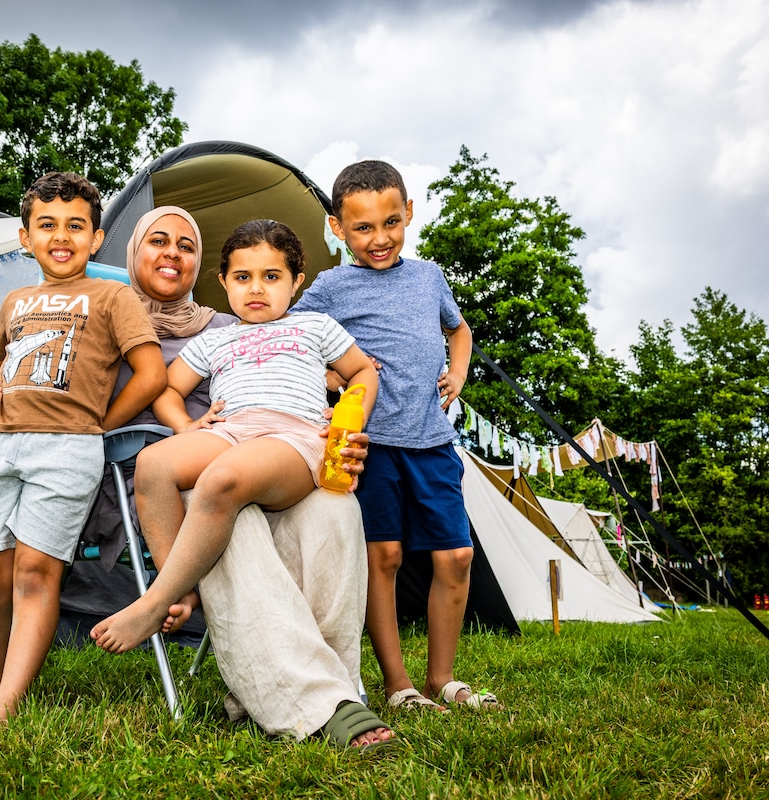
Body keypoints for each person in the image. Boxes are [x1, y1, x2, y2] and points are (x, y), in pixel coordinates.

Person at [76, 206, 394, 749]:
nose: (256, 289)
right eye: (242, 277)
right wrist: (186, 426)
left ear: (297, 282)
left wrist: (348, 423)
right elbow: (168, 390)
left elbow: (364, 371)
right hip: (232, 431)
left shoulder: (314, 327)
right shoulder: (216, 339)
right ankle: (184, 594)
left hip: (294, 439)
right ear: (222, 282)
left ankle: (156, 600)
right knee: (155, 464)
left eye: (272, 277)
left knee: (220, 481)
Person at [293, 160, 502, 713]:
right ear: (337, 228)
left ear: (409, 213)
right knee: (382, 555)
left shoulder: (429, 277)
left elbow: (459, 330)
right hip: (370, 443)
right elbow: (295, 342)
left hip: (432, 441)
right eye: (362, 228)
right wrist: (336, 377)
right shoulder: (331, 287)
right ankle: (398, 684)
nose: (379, 238)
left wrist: (457, 372)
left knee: (455, 557)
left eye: (391, 222)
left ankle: (442, 678)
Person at [0, 172, 167, 727]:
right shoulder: (14, 301)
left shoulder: (112, 295)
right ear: (24, 237)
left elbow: (150, 374)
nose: (62, 236)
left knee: (35, 570)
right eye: (47, 225)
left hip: (68, 450)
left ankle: (4, 709)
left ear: (96, 239)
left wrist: (97, 423)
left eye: (76, 225)